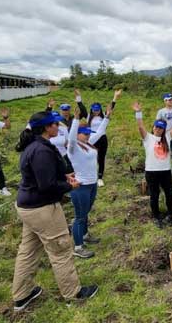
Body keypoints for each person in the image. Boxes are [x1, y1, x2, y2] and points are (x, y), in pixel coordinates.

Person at [11, 111, 98, 312]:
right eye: (54, 124)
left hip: (28, 207)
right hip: (43, 209)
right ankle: (73, 293)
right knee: (60, 249)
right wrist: (70, 186)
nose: (58, 127)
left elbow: (43, 177)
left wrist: (64, 176)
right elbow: (47, 185)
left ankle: (21, 295)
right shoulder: (41, 150)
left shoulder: (35, 146)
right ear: (46, 128)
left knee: (28, 251)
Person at [67, 104, 111, 259]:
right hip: (80, 186)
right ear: (78, 133)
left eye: (87, 133)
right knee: (79, 216)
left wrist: (107, 117)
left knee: (85, 213)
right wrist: (76, 120)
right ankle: (78, 247)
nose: (87, 135)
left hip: (92, 184)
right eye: (84, 133)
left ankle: (85, 235)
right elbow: (71, 138)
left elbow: (100, 132)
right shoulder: (73, 147)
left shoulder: (88, 143)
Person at [134, 101, 172, 227]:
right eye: (156, 127)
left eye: (161, 128)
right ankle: (156, 216)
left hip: (165, 171)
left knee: (169, 193)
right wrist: (138, 113)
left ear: (164, 130)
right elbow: (141, 128)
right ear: (153, 127)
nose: (158, 129)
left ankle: (171, 214)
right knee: (154, 194)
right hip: (151, 171)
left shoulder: (167, 138)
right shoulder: (148, 138)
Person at [87, 89, 121, 186]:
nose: (96, 112)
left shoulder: (104, 116)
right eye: (94, 110)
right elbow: (80, 107)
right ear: (91, 109)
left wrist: (115, 97)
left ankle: (100, 177)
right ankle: (91, 175)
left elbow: (111, 107)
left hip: (102, 139)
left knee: (101, 158)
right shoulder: (88, 116)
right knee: (91, 158)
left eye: (98, 110)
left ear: (100, 109)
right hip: (91, 140)